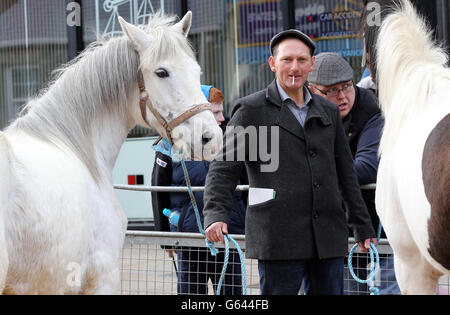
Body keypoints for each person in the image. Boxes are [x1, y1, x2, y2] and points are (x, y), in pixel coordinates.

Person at [203, 29, 377, 295]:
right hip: (278, 238)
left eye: (301, 60)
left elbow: (345, 174)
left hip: (327, 237)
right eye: (287, 60)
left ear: (312, 64)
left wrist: (361, 225)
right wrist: (216, 215)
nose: (294, 67)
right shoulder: (251, 111)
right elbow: (223, 170)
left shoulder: (327, 110)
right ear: (273, 63)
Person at [308, 52, 400, 295]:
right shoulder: (301, 110)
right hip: (328, 229)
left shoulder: (372, 110)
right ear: (312, 90)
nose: (341, 97)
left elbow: (366, 169)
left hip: (378, 227)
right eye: (330, 90)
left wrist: (307, 171)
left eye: (346, 86)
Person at [151, 85, 246, 295]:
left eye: (222, 110)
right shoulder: (169, 145)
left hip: (228, 235)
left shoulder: (233, 138)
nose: (222, 118)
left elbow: (246, 185)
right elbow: (159, 192)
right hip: (189, 238)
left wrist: (248, 229)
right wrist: (164, 239)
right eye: (215, 113)